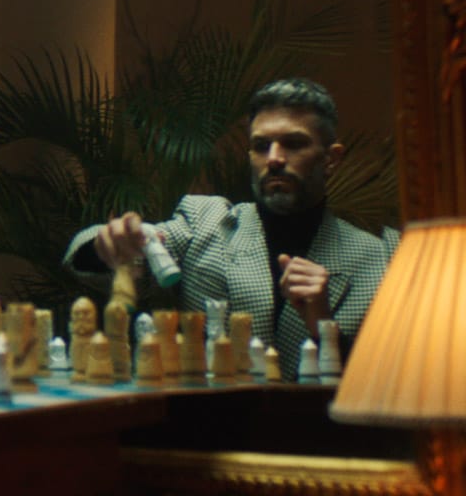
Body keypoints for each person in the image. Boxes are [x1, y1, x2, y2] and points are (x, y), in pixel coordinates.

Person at [63, 78, 393, 380]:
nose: (274, 158)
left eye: (293, 144)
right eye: (261, 146)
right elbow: (110, 254)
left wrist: (325, 330)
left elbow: (390, 377)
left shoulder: (379, 258)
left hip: (317, 424)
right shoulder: (204, 221)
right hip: (210, 422)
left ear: (331, 159)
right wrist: (107, 245)